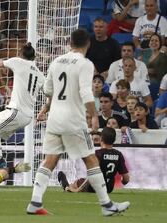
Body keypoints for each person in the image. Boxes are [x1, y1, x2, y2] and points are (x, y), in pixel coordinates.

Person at [26, 28, 130, 216]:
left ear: (70, 43)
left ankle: (35, 202)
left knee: (49, 160)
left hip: (55, 119)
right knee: (90, 158)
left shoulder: (56, 61)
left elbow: (48, 90)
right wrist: (94, 115)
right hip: (73, 119)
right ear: (88, 44)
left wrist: (47, 108)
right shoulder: (85, 63)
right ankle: (107, 206)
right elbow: (85, 91)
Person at [0, 42, 45, 186]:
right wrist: (44, 110)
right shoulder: (39, 74)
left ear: (20, 54)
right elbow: (50, 95)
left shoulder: (18, 62)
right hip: (22, 112)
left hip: (17, 112)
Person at [58, 127, 130, 194]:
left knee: (77, 182)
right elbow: (126, 179)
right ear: (114, 140)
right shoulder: (119, 154)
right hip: (109, 188)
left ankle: (66, 187)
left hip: (94, 187)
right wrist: (123, 182)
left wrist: (78, 189)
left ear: (101, 139)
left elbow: (92, 175)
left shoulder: (98, 154)